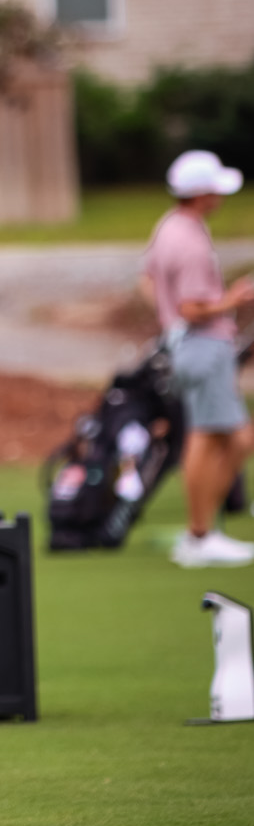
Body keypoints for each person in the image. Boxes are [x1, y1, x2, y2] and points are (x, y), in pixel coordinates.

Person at [143, 150, 254, 570]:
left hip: (191, 345)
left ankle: (204, 531)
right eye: (215, 189)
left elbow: (148, 280)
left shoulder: (170, 226)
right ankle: (199, 536)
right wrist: (234, 298)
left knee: (237, 439)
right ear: (201, 194)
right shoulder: (188, 239)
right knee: (208, 437)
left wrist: (167, 323)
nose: (220, 196)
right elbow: (192, 307)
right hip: (204, 346)